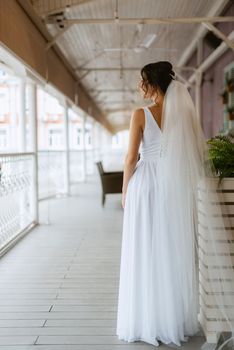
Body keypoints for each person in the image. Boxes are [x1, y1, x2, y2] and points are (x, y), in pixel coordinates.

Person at [116, 61, 234, 348]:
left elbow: (131, 158)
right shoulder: (183, 114)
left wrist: (124, 190)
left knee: (144, 248)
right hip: (172, 187)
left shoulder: (140, 114)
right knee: (168, 250)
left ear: (152, 84)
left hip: (145, 186)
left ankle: (147, 318)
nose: (139, 86)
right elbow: (194, 152)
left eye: (142, 81)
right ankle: (173, 318)